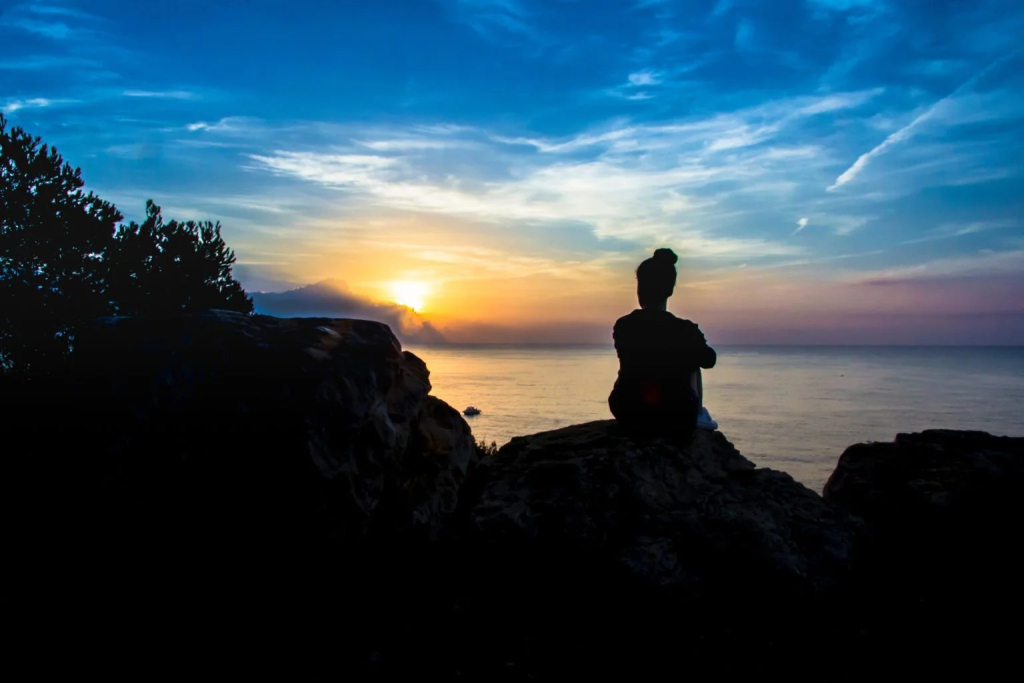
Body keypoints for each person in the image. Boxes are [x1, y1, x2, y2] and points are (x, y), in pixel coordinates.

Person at [608, 248, 717, 435]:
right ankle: (699, 414)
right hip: (675, 412)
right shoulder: (685, 329)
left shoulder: (624, 325)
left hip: (627, 408)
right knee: (693, 363)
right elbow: (709, 360)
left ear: (640, 288)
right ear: (669, 290)